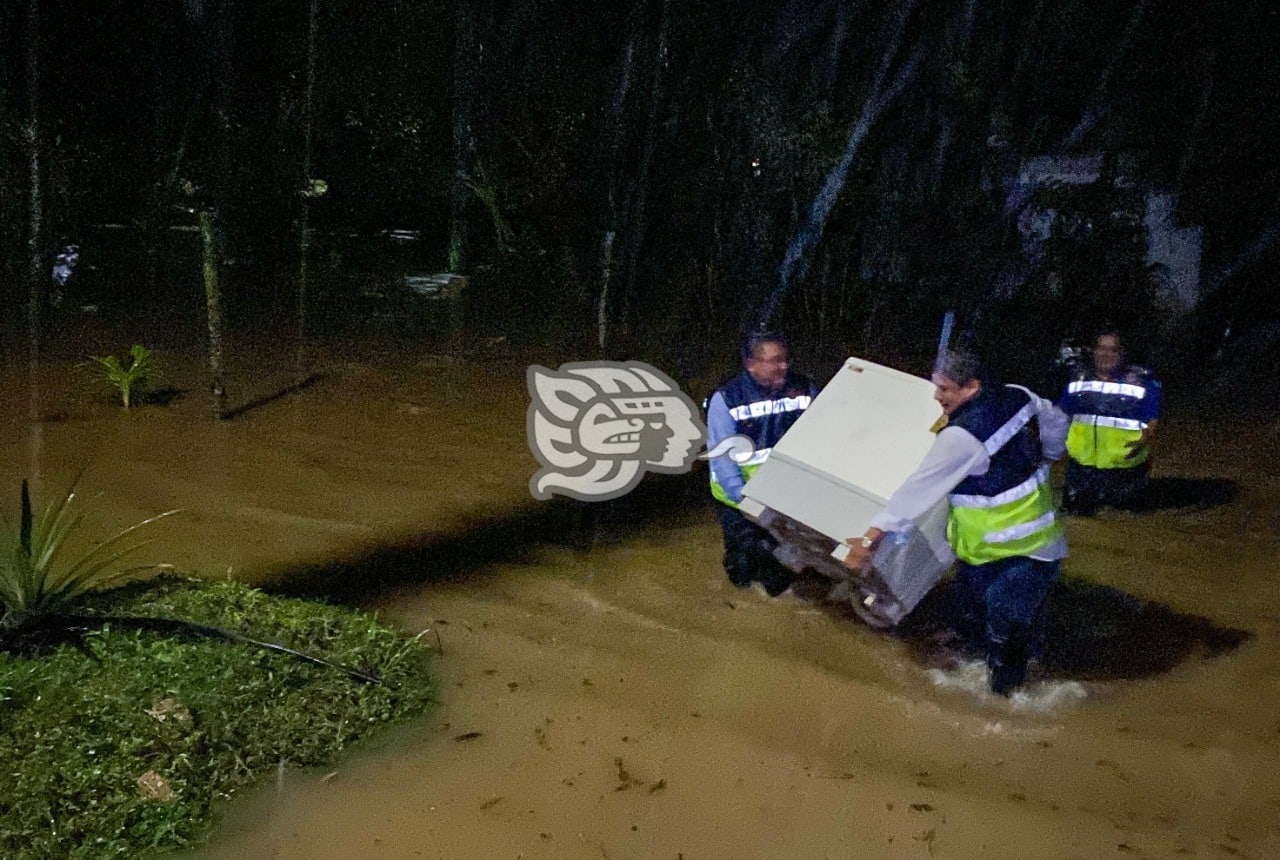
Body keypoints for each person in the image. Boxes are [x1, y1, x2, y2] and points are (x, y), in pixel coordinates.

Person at [843, 349, 1069, 696]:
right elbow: (1056, 421)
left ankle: (1004, 699)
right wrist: (1050, 454)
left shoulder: (961, 437)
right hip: (1006, 546)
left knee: (1003, 622)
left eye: (945, 389)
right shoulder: (1020, 396)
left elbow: (917, 490)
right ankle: (1013, 660)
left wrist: (870, 538)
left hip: (1023, 551)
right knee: (969, 615)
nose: (937, 396)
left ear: (971, 387)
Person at [705, 330, 818, 596]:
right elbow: (723, 458)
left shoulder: (804, 389)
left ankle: (775, 598)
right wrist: (744, 500)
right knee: (743, 561)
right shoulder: (727, 399)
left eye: (785, 359)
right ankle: (739, 599)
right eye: (776, 360)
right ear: (752, 365)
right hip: (738, 498)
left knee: (783, 563)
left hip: (783, 496)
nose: (784, 366)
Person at [1058, 331, 1161, 515]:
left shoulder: (1141, 382)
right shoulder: (1077, 379)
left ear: (1122, 353)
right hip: (1081, 473)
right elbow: (1059, 415)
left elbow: (1152, 419)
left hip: (1126, 471)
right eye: (1101, 349)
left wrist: (1146, 437)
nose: (1105, 355)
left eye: (1112, 350)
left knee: (1128, 525)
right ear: (1093, 351)